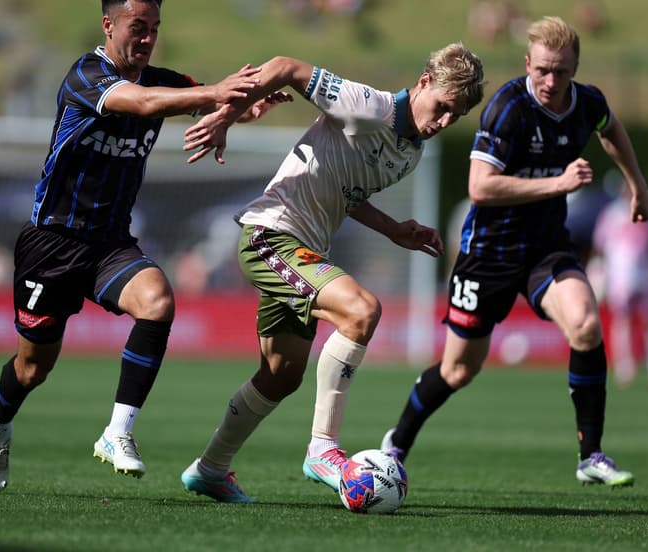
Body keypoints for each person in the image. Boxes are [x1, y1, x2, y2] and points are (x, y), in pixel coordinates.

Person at [0, 0, 290, 492]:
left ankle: (117, 431)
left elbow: (209, 104)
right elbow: (142, 103)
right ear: (108, 24)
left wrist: (245, 107)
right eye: (137, 28)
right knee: (33, 367)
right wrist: (215, 91)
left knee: (158, 301)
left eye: (154, 30)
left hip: (109, 246)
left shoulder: (161, 79)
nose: (146, 39)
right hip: (52, 244)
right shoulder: (85, 76)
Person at [178, 45, 486, 503]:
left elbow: (348, 192)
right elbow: (283, 67)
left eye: (454, 117)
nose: (442, 122)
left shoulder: (410, 154)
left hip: (302, 248)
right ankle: (322, 448)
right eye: (441, 107)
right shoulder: (367, 105)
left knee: (281, 375)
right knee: (362, 311)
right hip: (270, 235)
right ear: (423, 82)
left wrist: (394, 229)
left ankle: (210, 469)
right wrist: (227, 115)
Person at [381, 16, 648, 487]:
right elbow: (480, 188)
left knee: (587, 325)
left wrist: (638, 186)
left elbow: (610, 128)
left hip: (546, 249)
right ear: (528, 63)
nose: (551, 81)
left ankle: (591, 455)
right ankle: (397, 442)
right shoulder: (508, 107)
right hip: (488, 254)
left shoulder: (587, 103)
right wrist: (561, 183)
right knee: (459, 369)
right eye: (543, 70)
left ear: (575, 69)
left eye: (562, 72)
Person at [592, 187, 648, 389]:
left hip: (645, 275)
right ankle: (625, 367)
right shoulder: (612, 214)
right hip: (620, 277)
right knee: (623, 320)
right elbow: (600, 245)